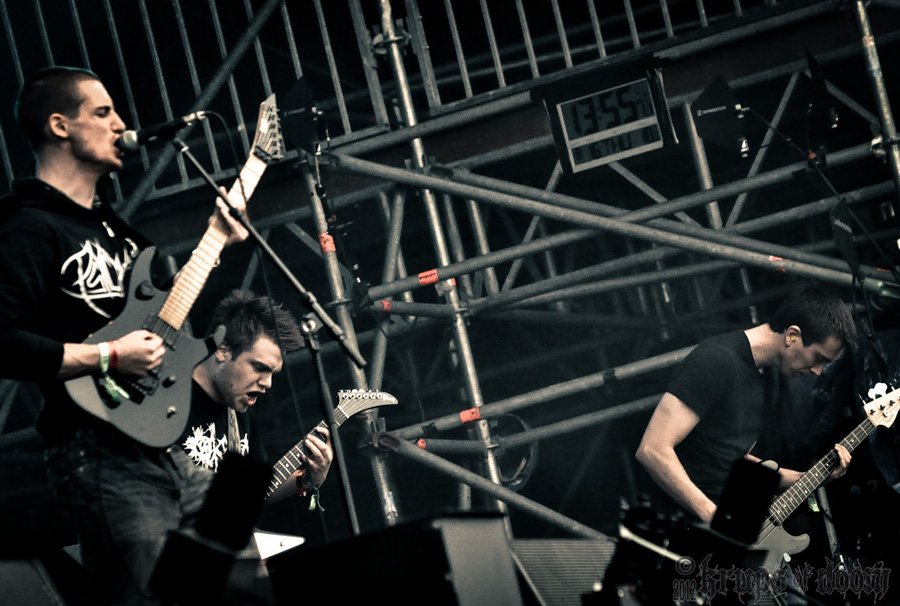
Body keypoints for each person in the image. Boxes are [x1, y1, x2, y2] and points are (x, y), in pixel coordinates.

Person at [0, 65, 330, 604]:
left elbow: (161, 319)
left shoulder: (119, 235)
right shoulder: (27, 226)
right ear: (59, 126)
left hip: (167, 451)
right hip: (100, 451)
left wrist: (216, 241)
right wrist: (109, 356)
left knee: (242, 584)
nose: (120, 123)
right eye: (103, 112)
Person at [636, 284, 857, 525]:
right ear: (792, 335)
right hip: (683, 526)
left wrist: (809, 477)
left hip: (729, 518)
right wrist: (713, 516)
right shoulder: (716, 361)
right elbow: (652, 449)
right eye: (818, 358)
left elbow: (730, 456)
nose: (818, 371)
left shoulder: (769, 375)